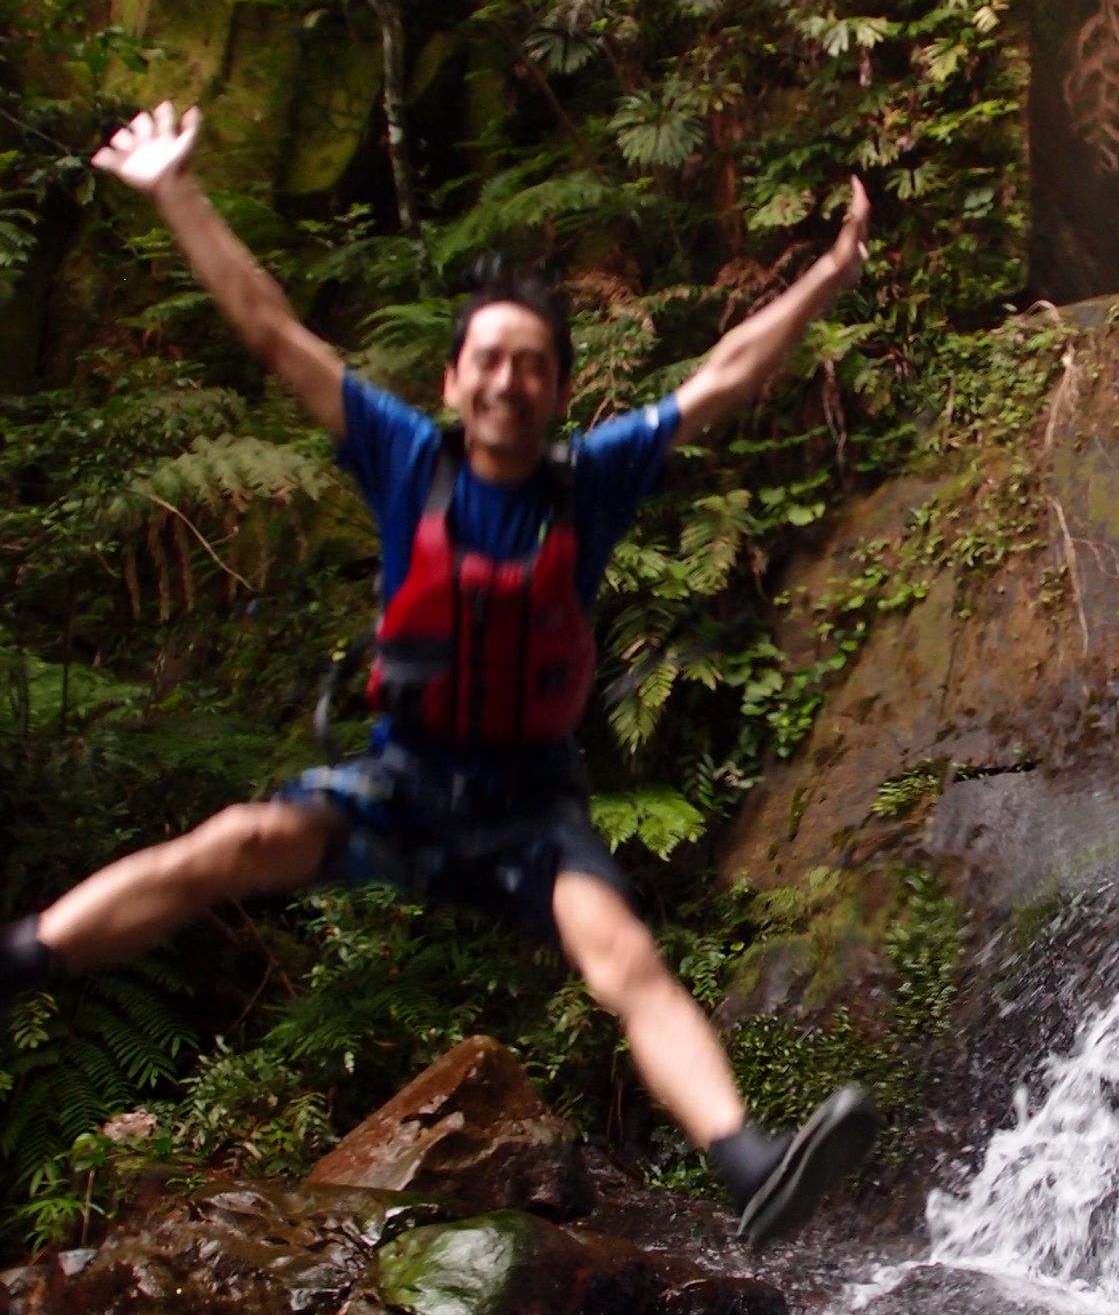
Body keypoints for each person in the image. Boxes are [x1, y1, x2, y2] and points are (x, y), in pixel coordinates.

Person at [0, 100, 876, 1248]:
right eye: (490, 361)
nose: (510, 381)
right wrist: (174, 188)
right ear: (457, 379)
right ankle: (22, 956)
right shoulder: (403, 456)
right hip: (406, 779)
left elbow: (726, 375)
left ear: (558, 391)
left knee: (622, 956)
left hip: (526, 807)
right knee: (227, 845)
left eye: (533, 365)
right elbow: (272, 331)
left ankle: (747, 1160)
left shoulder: (589, 482)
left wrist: (830, 274)